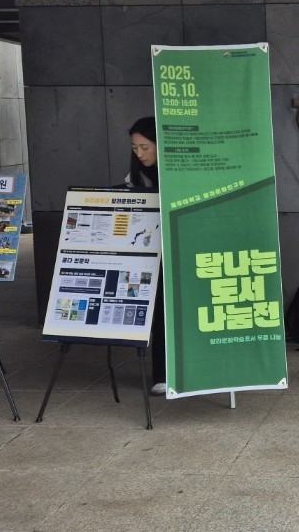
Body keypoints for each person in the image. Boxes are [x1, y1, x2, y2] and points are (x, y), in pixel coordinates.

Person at [124, 116, 167, 396]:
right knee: (159, 313)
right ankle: (162, 374)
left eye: (145, 147)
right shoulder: (134, 178)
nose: (139, 154)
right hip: (150, 252)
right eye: (135, 148)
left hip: (180, 248)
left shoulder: (178, 170)